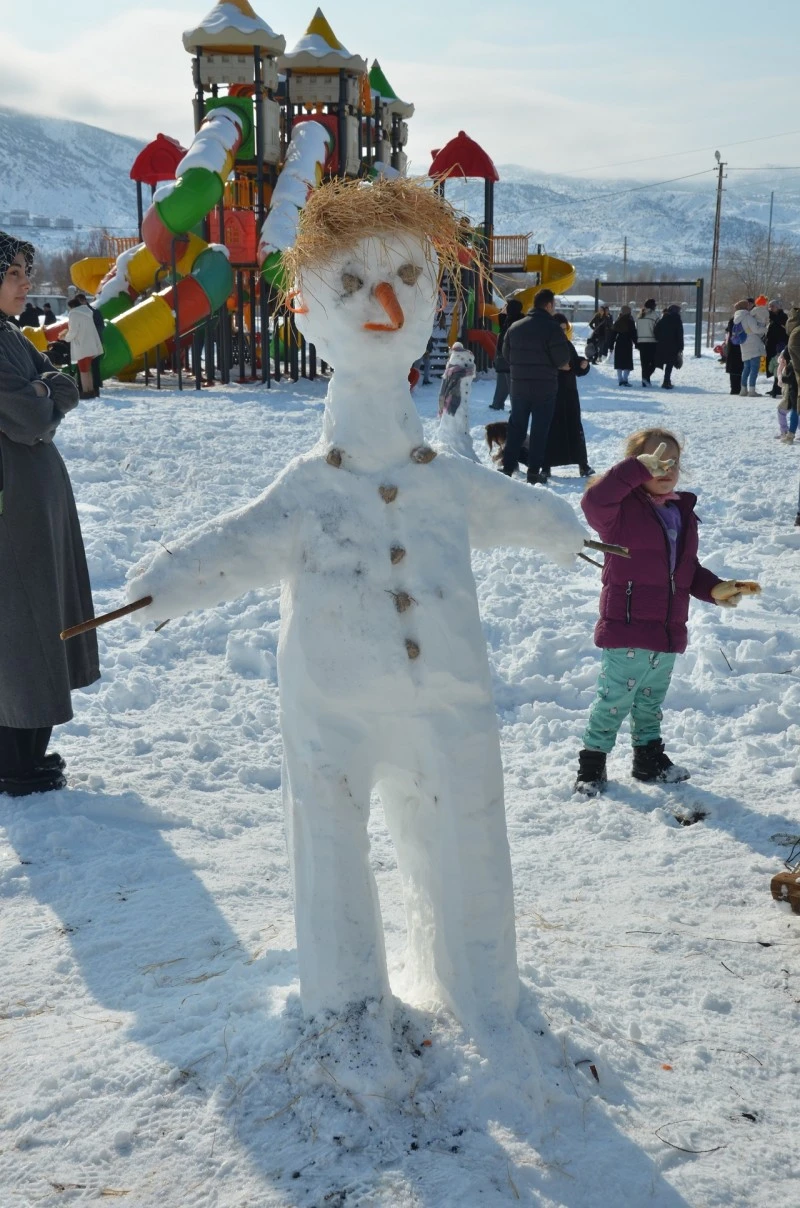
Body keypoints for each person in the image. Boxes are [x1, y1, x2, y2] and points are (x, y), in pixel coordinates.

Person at [574, 428, 759, 794]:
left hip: (667, 628)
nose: (665, 468)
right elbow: (593, 502)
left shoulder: (680, 512)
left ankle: (648, 758)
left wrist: (714, 588)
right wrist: (633, 471)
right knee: (614, 700)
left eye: (672, 461)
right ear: (636, 464)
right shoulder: (619, 511)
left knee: (649, 701)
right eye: (654, 460)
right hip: (627, 624)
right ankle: (592, 765)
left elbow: (686, 568)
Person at [0, 232, 99, 797]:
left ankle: (21, 751)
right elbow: (34, 418)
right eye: (13, 272)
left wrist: (42, 389)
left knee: (36, 617)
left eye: (25, 272)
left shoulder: (10, 335)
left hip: (33, 507)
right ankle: (14, 759)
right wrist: (41, 393)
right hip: (13, 510)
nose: (25, 283)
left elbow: (62, 385)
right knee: (22, 624)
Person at [502, 287, 571, 485]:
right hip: (545, 388)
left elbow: (506, 355)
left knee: (516, 428)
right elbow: (562, 360)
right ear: (549, 305)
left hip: (519, 387)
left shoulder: (515, 327)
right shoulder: (552, 329)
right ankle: (533, 472)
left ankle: (508, 467)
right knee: (540, 430)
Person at [541, 313, 595, 478]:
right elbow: (541, 367)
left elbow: (574, 364)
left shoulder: (567, 343)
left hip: (569, 393)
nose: (562, 332)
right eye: (560, 329)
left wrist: (582, 365)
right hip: (551, 392)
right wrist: (558, 367)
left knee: (574, 427)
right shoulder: (544, 344)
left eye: (565, 329)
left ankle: (582, 464)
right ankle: (546, 465)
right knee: (550, 429)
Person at [64, 295, 104, 398]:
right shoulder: (88, 313)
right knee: (89, 370)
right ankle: (91, 390)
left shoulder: (74, 314)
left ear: (72, 307)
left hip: (81, 346)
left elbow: (73, 331)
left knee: (83, 371)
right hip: (92, 345)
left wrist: (65, 337)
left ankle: (86, 392)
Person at [489, 298, 523, 410]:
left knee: (512, 384)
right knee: (502, 383)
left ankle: (516, 407)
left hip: (510, 357)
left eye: (507, 306)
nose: (505, 308)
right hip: (502, 355)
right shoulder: (509, 319)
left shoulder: (517, 321)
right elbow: (501, 316)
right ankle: (497, 404)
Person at [733, 297, 768, 396]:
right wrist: (765, 329)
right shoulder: (747, 317)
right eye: (748, 305)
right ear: (745, 306)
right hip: (753, 344)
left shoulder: (737, 317)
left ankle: (743, 390)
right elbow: (756, 329)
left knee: (746, 368)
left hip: (744, 344)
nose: (750, 306)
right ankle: (752, 390)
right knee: (754, 368)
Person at [654, 304, 684, 389]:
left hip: (662, 345)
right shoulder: (677, 320)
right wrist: (681, 347)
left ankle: (666, 381)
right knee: (670, 364)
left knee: (665, 362)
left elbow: (656, 331)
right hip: (673, 346)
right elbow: (680, 334)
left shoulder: (663, 319)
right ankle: (666, 381)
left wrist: (659, 339)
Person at [765, 299, 788, 399]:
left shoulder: (783, 316)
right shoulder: (771, 317)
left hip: (779, 345)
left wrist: (772, 316)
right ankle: (776, 387)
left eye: (772, 306)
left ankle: (776, 388)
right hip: (771, 345)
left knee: (778, 366)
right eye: (769, 306)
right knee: (773, 365)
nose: (770, 308)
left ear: (778, 307)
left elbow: (782, 325)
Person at [635, 299, 658, 387]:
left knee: (644, 363)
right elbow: (658, 328)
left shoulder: (639, 316)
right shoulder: (654, 315)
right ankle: (646, 378)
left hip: (641, 342)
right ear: (652, 306)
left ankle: (645, 381)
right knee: (654, 362)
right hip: (652, 342)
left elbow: (637, 329)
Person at [612, 305, 637, 386]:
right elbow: (633, 334)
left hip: (619, 343)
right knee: (627, 362)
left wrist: (610, 345)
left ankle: (620, 380)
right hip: (627, 343)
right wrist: (637, 343)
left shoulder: (617, 321)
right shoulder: (630, 321)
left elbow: (612, 334)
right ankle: (625, 380)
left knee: (619, 362)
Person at [724, 305, 744, 395]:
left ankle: (734, 388)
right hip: (740, 346)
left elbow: (728, 331)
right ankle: (738, 388)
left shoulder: (732, 319)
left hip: (732, 347)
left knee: (733, 369)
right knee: (739, 368)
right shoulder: (743, 319)